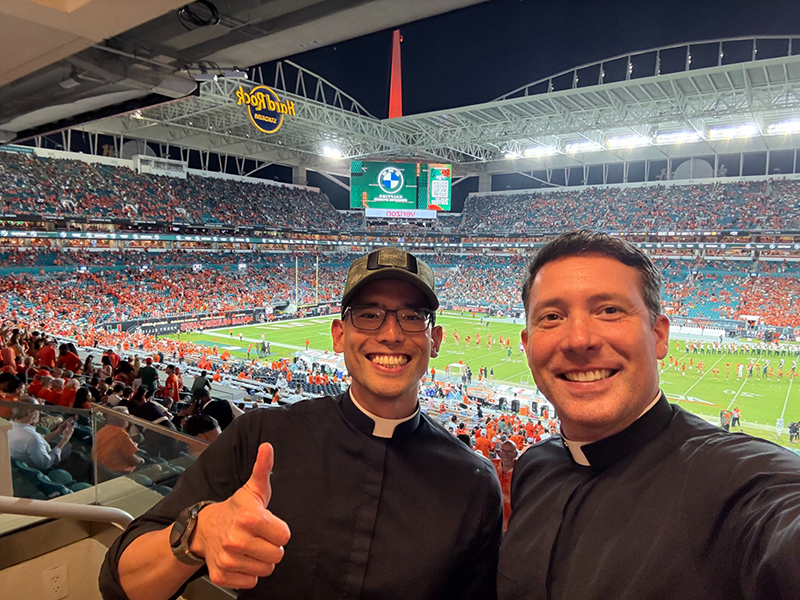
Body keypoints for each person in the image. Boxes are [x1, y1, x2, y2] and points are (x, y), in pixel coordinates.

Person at [100, 247, 502, 600]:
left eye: (413, 316)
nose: (392, 334)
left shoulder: (473, 480)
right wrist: (197, 534)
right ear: (339, 335)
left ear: (435, 339)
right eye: (369, 315)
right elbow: (121, 583)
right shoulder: (260, 438)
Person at [498, 230, 800, 600]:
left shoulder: (735, 482)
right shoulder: (534, 468)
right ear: (527, 345)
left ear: (658, 335)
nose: (579, 339)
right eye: (552, 316)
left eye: (609, 310)